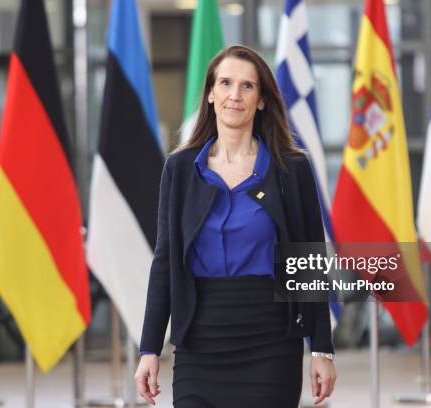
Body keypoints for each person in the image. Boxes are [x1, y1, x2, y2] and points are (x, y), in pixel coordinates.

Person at [134, 44, 336, 408]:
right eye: (225, 83)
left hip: (271, 342)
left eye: (247, 86)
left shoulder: (291, 169)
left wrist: (321, 348)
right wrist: (149, 347)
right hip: (199, 340)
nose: (234, 95)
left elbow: (309, 263)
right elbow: (164, 262)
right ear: (211, 94)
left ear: (261, 100)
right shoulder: (179, 170)